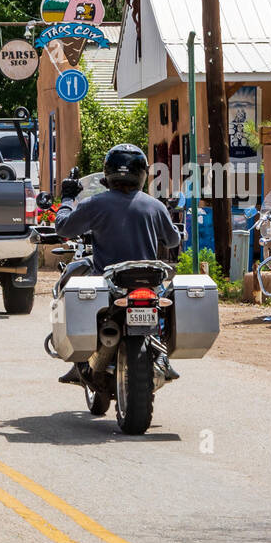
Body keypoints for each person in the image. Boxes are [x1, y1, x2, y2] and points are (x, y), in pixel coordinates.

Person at [54, 143, 182, 384]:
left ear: (107, 173)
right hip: (149, 281)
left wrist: (67, 198)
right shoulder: (155, 205)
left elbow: (63, 227)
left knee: (74, 293)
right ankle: (163, 356)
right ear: (142, 173)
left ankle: (78, 359)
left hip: (109, 280)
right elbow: (173, 240)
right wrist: (167, 219)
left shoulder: (96, 203)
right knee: (167, 302)